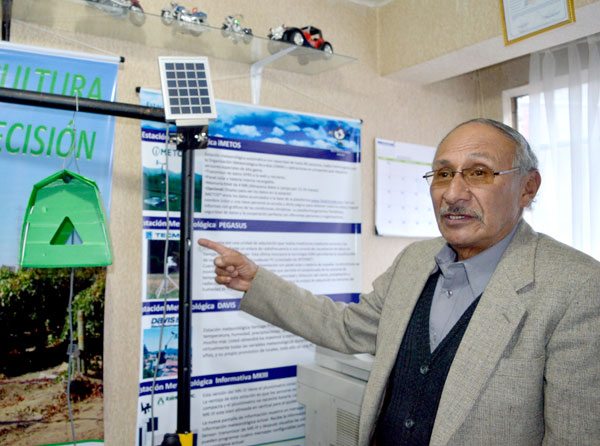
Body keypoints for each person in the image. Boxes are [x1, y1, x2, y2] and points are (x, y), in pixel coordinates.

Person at [198, 118, 600, 445]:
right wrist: (256, 281)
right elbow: (346, 327)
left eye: (478, 173)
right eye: (443, 174)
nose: (453, 193)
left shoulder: (576, 286)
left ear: (528, 187)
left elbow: (575, 436)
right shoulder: (415, 261)